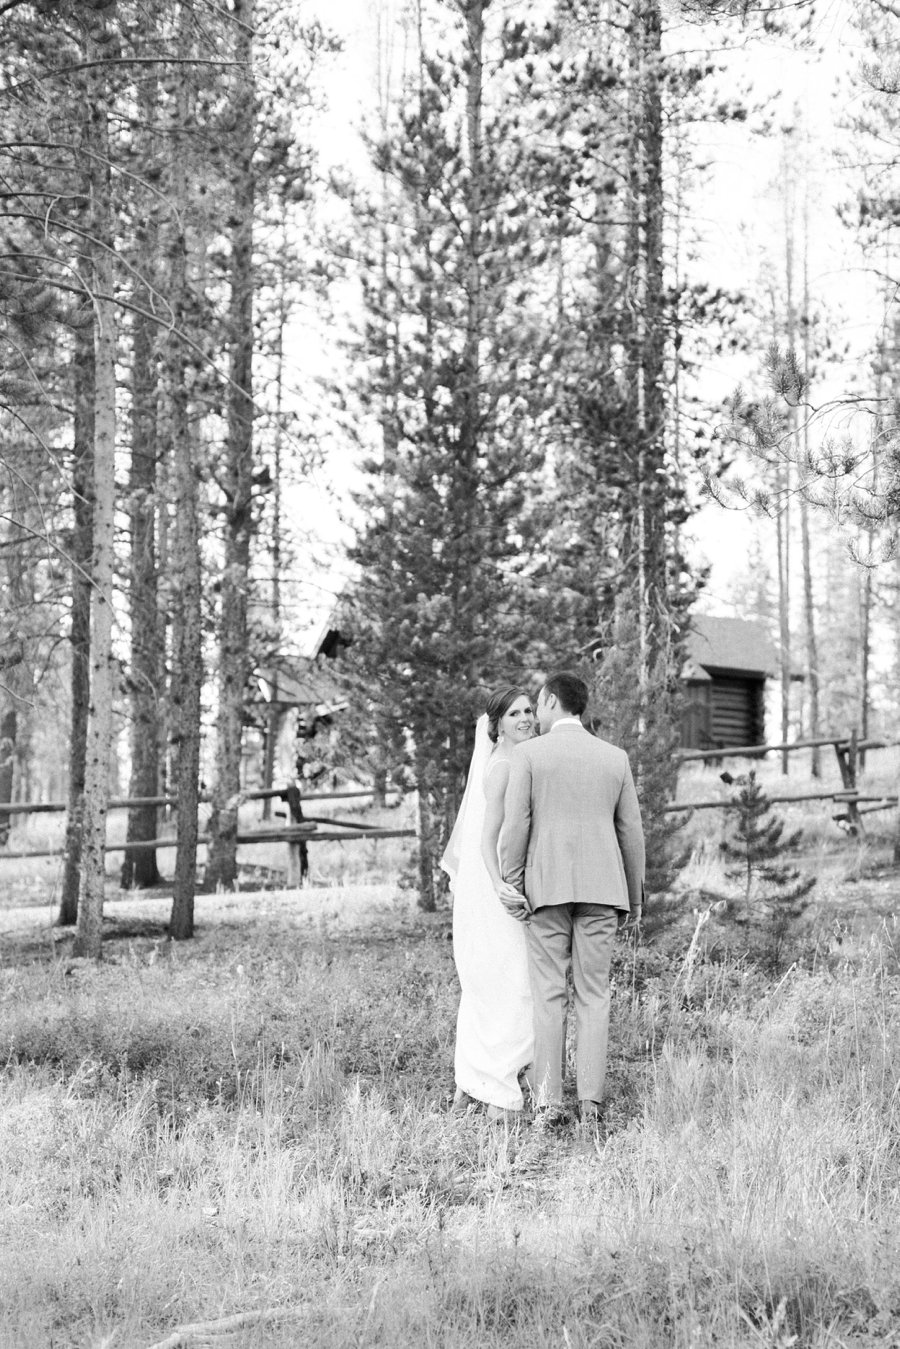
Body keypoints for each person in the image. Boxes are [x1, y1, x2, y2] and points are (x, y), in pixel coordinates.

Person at [499, 672, 645, 1127]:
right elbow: (632, 834)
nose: (534, 717)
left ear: (549, 701)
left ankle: (547, 1102)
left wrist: (512, 881)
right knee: (594, 994)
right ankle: (590, 1104)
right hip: (604, 891)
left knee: (548, 995)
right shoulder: (615, 758)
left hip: (545, 891)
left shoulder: (529, 756)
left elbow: (516, 826)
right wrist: (634, 897)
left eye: (537, 707)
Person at [440, 687, 536, 1118]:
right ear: (496, 724)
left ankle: (492, 1075)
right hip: (494, 884)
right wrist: (500, 884)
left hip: (512, 879)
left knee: (512, 978)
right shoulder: (501, 766)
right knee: (507, 977)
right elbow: (486, 836)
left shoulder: (528, 757)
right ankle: (495, 1081)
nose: (525, 718)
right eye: (515, 713)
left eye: (530, 710)